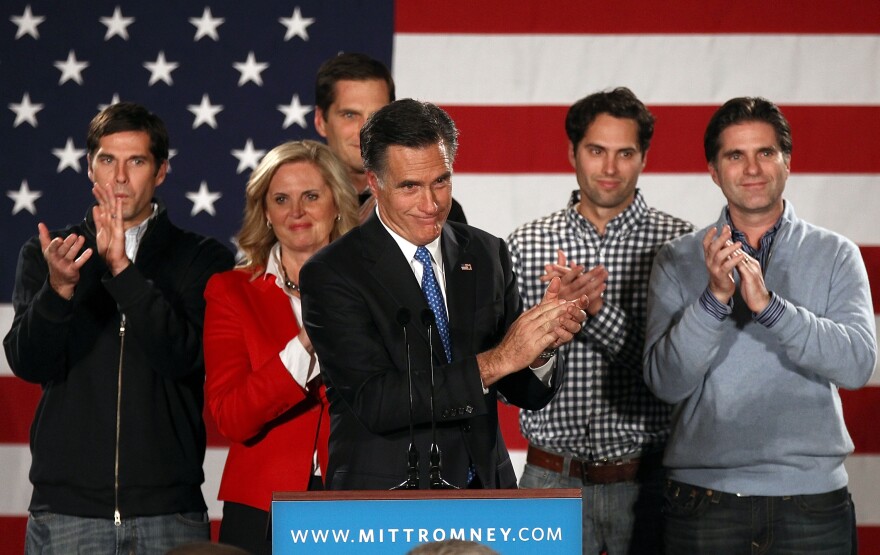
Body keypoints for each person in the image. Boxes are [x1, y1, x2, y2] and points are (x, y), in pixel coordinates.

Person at [300, 99, 589, 490]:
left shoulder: (486, 253)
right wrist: (501, 358)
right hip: (386, 499)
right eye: (410, 187)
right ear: (374, 182)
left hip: (483, 488)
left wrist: (540, 347)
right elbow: (377, 401)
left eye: (441, 181)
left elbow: (521, 389)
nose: (431, 204)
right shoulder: (332, 273)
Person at [643, 97, 876, 554]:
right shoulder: (676, 259)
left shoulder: (837, 254)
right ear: (713, 171)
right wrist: (714, 299)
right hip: (703, 501)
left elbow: (856, 367)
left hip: (812, 501)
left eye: (765, 153)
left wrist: (771, 309)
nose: (752, 168)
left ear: (787, 162)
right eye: (736, 155)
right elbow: (666, 383)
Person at [3, 102, 234, 553]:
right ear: (91, 169)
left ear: (161, 171)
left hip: (169, 514)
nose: (120, 177)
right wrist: (59, 289)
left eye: (137, 161)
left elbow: (183, 356)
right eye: (108, 160)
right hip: (68, 513)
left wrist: (122, 271)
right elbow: (29, 363)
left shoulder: (203, 258)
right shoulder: (48, 254)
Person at [506, 87, 693, 553]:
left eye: (624, 153)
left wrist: (596, 314)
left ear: (644, 158)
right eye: (596, 150)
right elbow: (510, 376)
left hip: (647, 479)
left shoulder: (679, 243)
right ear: (572, 152)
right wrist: (554, 325)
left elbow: (677, 371)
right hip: (549, 478)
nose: (609, 168)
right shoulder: (526, 244)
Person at [203, 140, 357, 554]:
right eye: (281, 199)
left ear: (338, 203)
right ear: (265, 213)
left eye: (311, 196)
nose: (296, 212)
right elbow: (231, 417)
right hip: (261, 506)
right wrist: (307, 341)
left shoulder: (375, 288)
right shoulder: (231, 292)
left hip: (358, 497)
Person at [314, 52, 467, 223]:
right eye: (350, 115)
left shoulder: (434, 210)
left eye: (376, 115)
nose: (364, 129)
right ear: (320, 121)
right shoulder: (292, 206)